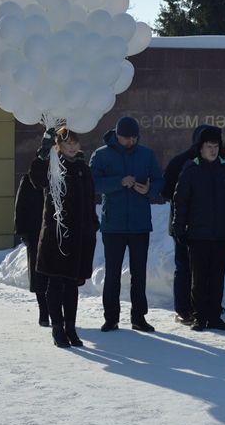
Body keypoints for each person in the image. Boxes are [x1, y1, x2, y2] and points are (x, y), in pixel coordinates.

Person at [89, 116, 164, 332]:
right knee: (112, 272)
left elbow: (159, 180)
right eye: (126, 138)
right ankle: (111, 318)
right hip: (113, 224)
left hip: (140, 224)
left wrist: (148, 190)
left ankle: (139, 317)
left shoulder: (146, 154)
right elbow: (92, 184)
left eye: (134, 138)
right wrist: (119, 182)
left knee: (139, 273)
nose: (130, 142)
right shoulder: (101, 155)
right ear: (117, 135)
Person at [29, 127, 98, 348]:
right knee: (56, 282)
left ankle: (71, 327)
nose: (72, 146)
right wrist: (42, 153)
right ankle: (57, 328)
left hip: (79, 235)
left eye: (74, 142)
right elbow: (37, 179)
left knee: (71, 285)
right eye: (67, 142)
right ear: (58, 144)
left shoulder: (82, 168)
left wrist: (91, 225)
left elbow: (89, 200)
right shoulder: (53, 165)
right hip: (56, 234)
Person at [171, 125, 225, 331]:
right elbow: (180, 201)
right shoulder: (190, 170)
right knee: (199, 278)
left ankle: (214, 315)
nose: (213, 150)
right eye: (209, 146)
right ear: (200, 148)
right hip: (198, 234)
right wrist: (179, 228)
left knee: (217, 277)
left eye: (216, 146)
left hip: (221, 234)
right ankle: (200, 316)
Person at [161, 124, 214, 324]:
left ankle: (200, 306)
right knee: (184, 267)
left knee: (200, 267)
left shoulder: (213, 162)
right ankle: (184, 308)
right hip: (182, 224)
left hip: (204, 225)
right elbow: (166, 192)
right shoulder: (180, 162)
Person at [14, 172, 49, 327]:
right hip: (35, 233)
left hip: (58, 233)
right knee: (38, 274)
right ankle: (43, 310)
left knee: (57, 275)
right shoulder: (29, 178)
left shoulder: (65, 173)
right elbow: (20, 205)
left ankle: (57, 311)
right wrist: (23, 231)